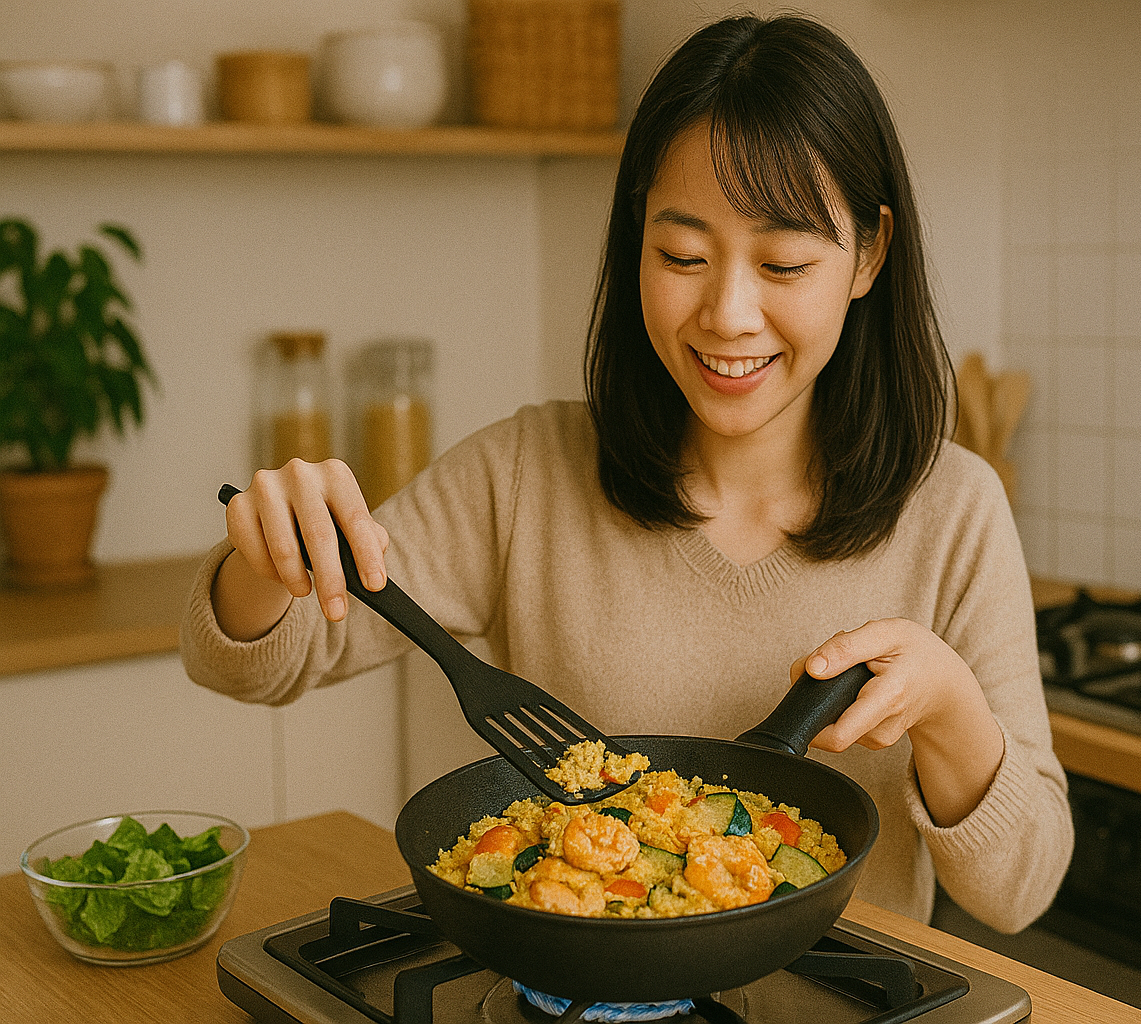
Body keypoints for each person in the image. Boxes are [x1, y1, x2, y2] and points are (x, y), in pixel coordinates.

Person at [181, 13, 1071, 933]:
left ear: (869, 255)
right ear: (633, 235)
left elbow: (1021, 891)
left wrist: (948, 706)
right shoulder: (526, 475)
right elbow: (253, 666)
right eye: (681, 255)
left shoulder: (958, 509)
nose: (728, 314)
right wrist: (269, 553)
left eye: (784, 262)